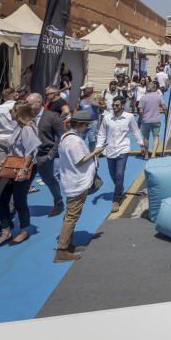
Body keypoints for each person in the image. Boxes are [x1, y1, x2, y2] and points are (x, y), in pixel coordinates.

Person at [0, 101, 41, 250]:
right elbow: (13, 150)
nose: (10, 112)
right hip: (12, 165)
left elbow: (30, 152)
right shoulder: (18, 127)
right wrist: (3, 162)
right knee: (1, 199)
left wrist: (24, 170)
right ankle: (5, 231)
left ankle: (24, 230)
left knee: (19, 200)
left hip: (24, 167)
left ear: (19, 113)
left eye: (12, 110)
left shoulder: (27, 128)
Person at [54, 110, 98, 263]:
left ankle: (67, 245)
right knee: (71, 216)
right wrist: (96, 152)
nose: (86, 127)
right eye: (85, 125)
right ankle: (62, 250)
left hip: (71, 181)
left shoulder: (66, 137)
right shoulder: (74, 141)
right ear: (80, 124)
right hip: (76, 182)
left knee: (70, 215)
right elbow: (80, 160)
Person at [97, 97, 144, 213]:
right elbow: (102, 134)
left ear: (123, 105)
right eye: (113, 105)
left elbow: (135, 131)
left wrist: (141, 144)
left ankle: (116, 199)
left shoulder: (129, 117)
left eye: (117, 105)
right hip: (110, 150)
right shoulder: (107, 118)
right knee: (113, 174)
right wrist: (98, 147)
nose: (114, 107)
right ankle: (120, 188)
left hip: (123, 149)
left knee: (119, 174)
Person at [32, 92, 65, 217]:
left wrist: (51, 155)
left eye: (30, 104)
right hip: (30, 155)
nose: (28, 106)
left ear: (39, 102)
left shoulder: (52, 116)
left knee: (49, 180)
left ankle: (58, 202)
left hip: (45, 155)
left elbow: (61, 136)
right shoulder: (27, 116)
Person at [137, 81, 166, 158]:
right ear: (154, 88)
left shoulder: (143, 97)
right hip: (156, 119)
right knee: (156, 136)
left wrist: (142, 118)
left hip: (146, 120)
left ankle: (146, 154)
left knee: (146, 137)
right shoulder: (158, 96)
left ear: (147, 88)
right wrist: (167, 116)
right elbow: (164, 107)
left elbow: (140, 110)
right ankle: (153, 154)